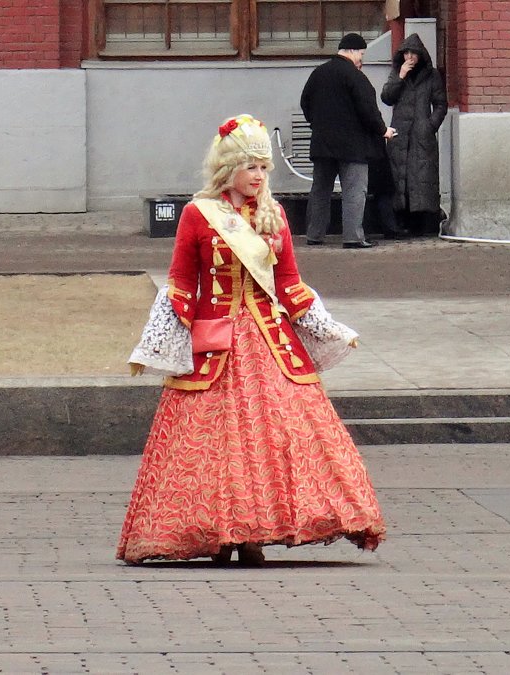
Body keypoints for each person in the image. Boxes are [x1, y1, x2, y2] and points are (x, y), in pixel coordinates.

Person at [116, 115, 386, 565]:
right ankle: (220, 533)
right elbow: (182, 281)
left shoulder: (274, 215)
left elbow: (290, 284)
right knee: (213, 444)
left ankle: (257, 532)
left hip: (269, 343)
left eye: (264, 168)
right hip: (217, 342)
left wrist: (326, 326)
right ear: (229, 168)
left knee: (283, 436)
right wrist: (159, 338)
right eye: (251, 167)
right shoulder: (198, 214)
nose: (259, 176)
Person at [300, 32, 397, 248]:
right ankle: (353, 237)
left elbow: (305, 102)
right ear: (352, 50)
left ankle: (314, 234)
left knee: (320, 190)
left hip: (322, 144)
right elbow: (369, 111)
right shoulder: (355, 77)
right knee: (354, 191)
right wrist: (383, 130)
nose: (361, 59)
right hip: (353, 147)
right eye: (361, 54)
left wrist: (317, 125)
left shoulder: (318, 73)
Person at [381, 33, 448, 236]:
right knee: (400, 177)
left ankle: (424, 224)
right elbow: (386, 97)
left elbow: (440, 104)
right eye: (406, 53)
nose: (410, 57)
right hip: (400, 135)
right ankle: (401, 223)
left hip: (422, 136)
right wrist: (400, 76)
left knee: (421, 178)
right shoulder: (397, 72)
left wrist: (430, 126)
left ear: (420, 55)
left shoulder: (431, 75)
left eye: (413, 54)